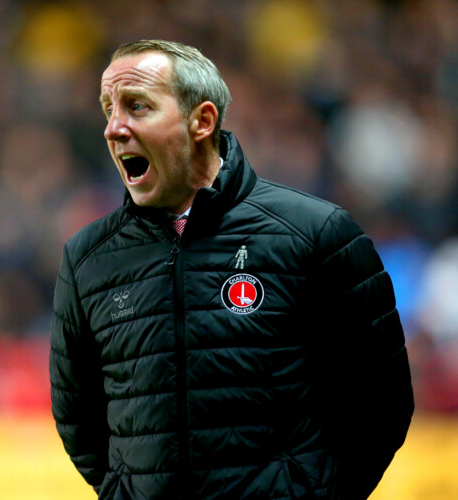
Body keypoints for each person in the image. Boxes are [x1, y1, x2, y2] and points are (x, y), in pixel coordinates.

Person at [50, 39, 414, 500]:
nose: (113, 128)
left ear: (202, 121)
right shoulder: (87, 258)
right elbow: (78, 418)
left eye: (137, 106)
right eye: (109, 109)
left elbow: (381, 403)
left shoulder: (316, 235)